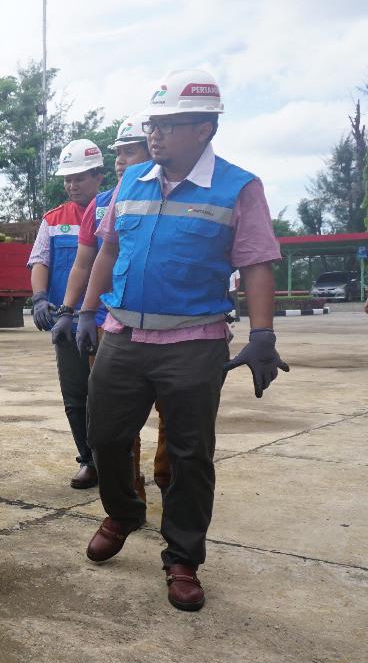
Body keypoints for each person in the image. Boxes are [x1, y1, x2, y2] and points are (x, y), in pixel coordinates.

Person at [74, 69, 287, 611]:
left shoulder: (239, 187)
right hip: (122, 335)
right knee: (106, 436)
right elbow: (108, 250)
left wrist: (262, 334)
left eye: (169, 124)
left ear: (205, 129)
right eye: (153, 124)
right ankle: (123, 512)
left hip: (194, 343)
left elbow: (258, 262)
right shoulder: (131, 181)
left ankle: (183, 558)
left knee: (191, 456)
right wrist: (86, 311)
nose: (156, 134)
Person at [50, 113, 169, 500]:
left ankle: (169, 481)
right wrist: (73, 313)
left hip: (175, 328)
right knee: (117, 415)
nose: (121, 161)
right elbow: (88, 263)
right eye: (118, 153)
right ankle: (126, 492)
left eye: (129, 152)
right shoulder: (101, 207)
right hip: (110, 324)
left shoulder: (180, 196)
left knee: (174, 417)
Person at [28, 139, 105, 489]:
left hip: (110, 321)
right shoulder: (54, 219)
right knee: (75, 395)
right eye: (68, 179)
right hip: (66, 321)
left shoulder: (117, 210)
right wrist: (40, 298)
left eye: (80, 178)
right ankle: (88, 460)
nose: (72, 185)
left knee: (111, 396)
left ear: (98, 176)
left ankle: (118, 463)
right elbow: (40, 260)